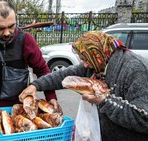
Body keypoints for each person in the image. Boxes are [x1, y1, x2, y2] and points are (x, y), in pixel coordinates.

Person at [19, 31, 148, 141]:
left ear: (97, 53)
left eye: (86, 60)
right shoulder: (98, 63)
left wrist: (104, 102)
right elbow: (63, 75)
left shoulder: (134, 69)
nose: (85, 65)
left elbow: (144, 119)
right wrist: (36, 85)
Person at [0, 0, 62, 125]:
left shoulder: (26, 41)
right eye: (0, 28)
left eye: (11, 26)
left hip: (21, 109)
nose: (7, 33)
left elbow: (43, 71)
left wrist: (51, 97)